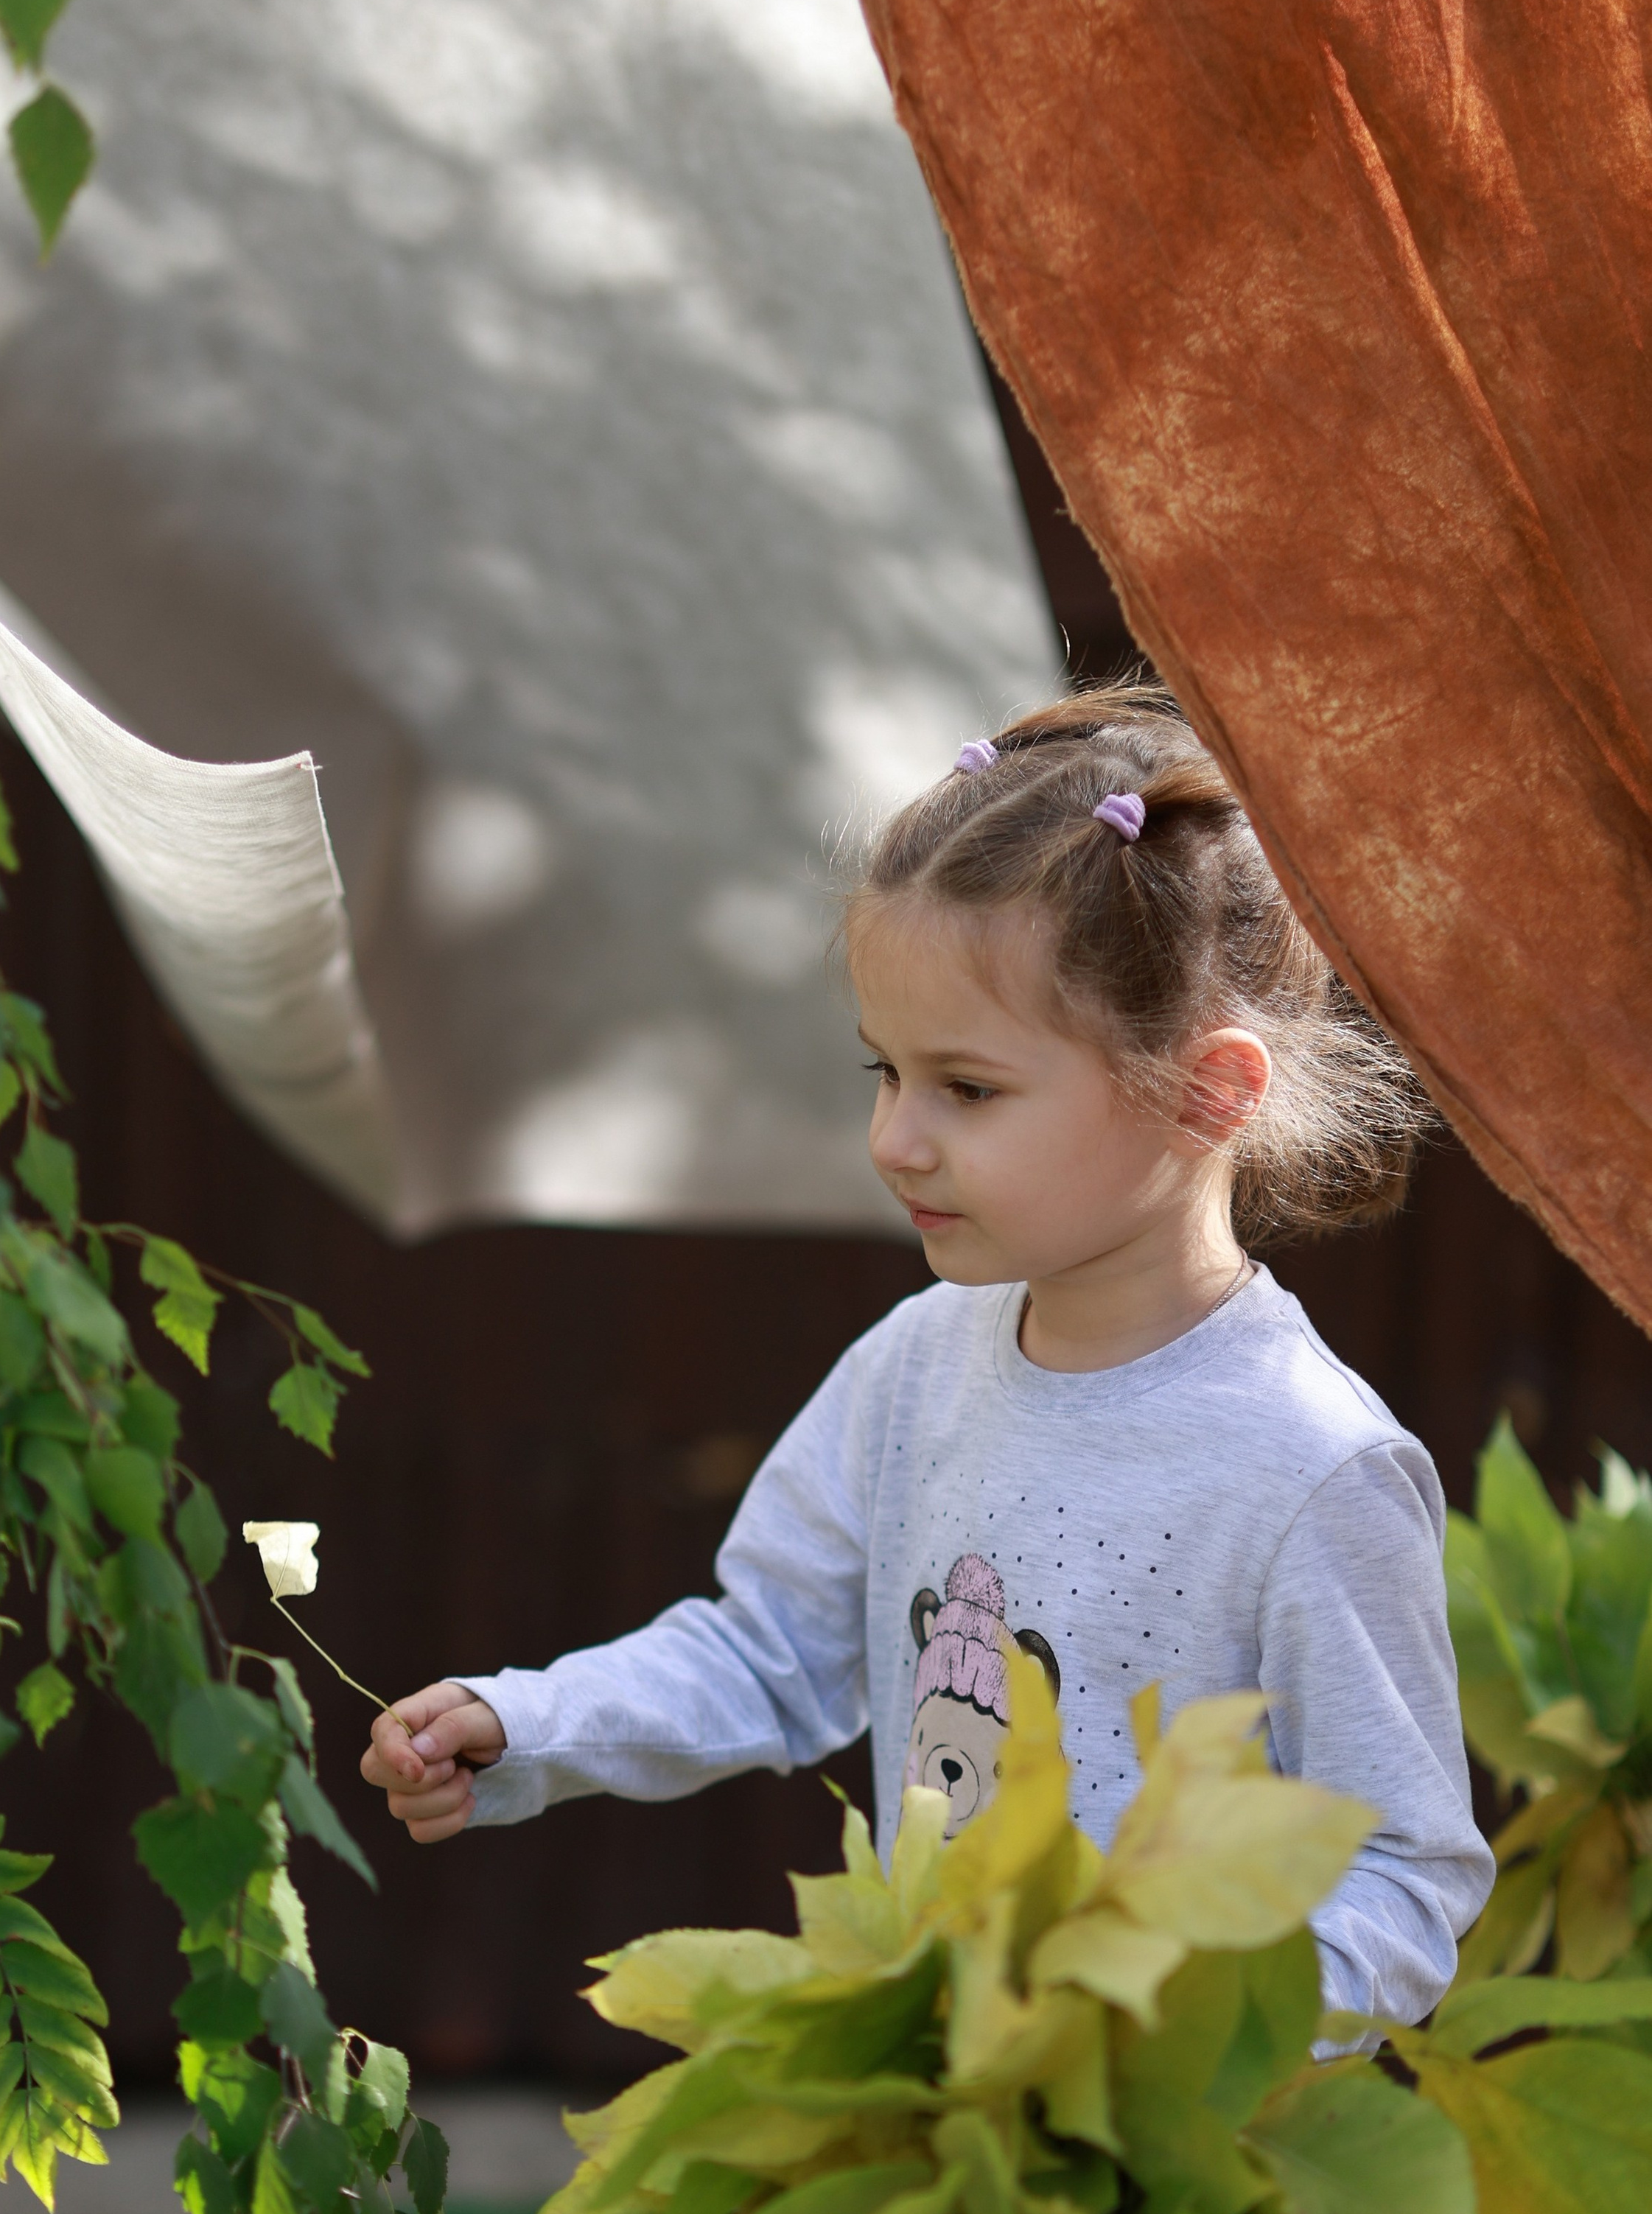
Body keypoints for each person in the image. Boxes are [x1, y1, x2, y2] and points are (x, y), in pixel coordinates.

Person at [360, 681, 1493, 2033]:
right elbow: (773, 1650)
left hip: (1192, 2188)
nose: (896, 1140)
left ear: (1209, 1090)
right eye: (882, 1074)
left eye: (968, 1088)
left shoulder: (1316, 1470)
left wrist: (1170, 2031)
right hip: (949, 2141)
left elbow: (1407, 1878)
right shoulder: (916, 1367)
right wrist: (527, 1727)